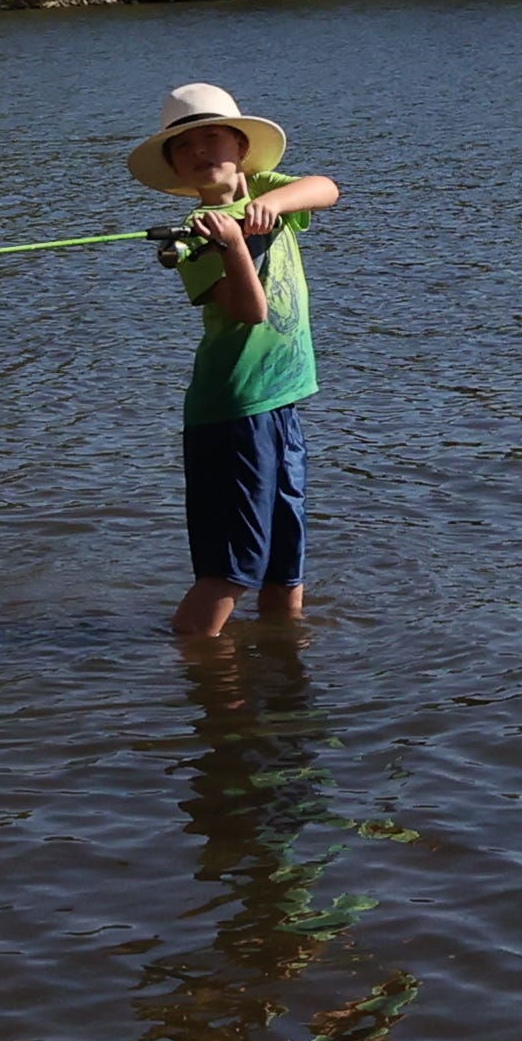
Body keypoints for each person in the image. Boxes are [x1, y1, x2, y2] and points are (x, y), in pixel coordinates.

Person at [125, 83, 340, 639]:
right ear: (175, 166)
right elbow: (250, 311)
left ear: (241, 148)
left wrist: (271, 206)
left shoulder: (267, 190)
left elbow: (326, 189)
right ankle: (200, 671)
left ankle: (283, 668)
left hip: (282, 403)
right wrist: (232, 243)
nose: (200, 152)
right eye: (184, 146)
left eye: (212, 137)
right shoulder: (194, 241)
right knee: (232, 570)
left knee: (286, 566)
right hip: (232, 412)